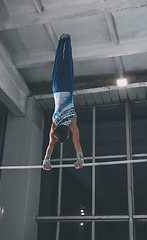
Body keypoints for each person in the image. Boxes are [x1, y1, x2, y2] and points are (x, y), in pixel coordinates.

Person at [42, 34, 84, 171]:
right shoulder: (54, 122)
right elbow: (51, 144)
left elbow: (76, 141)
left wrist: (80, 158)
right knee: (58, 63)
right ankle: (61, 40)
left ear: (68, 132)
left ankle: (68, 40)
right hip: (56, 88)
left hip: (68, 86)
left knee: (68, 63)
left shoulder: (71, 122)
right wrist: (46, 159)